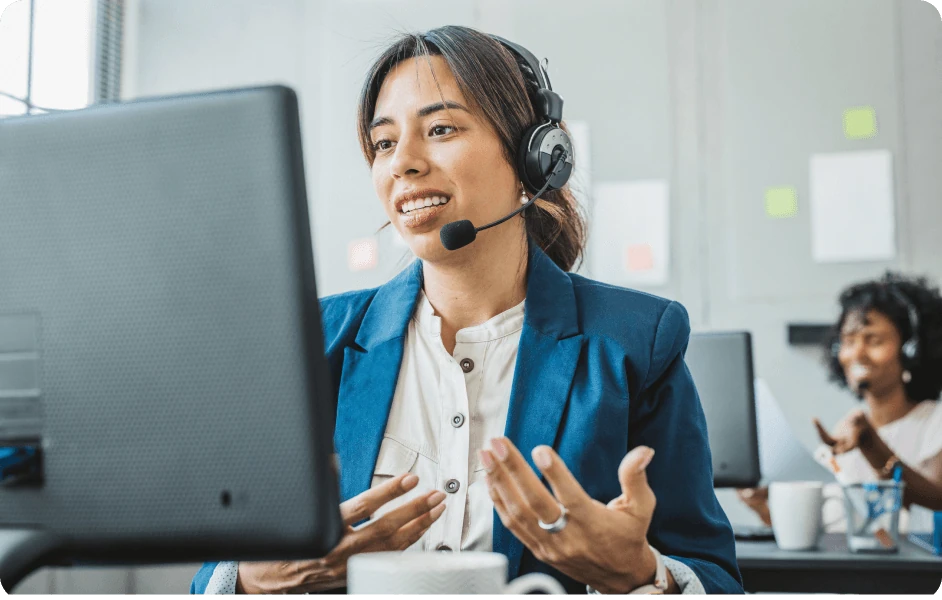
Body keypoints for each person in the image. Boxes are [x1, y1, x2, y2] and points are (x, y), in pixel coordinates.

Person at [191, 26, 742, 595]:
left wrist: (642, 575)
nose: (403, 162)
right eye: (383, 143)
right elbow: (217, 573)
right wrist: (256, 579)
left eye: (440, 129)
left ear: (535, 158)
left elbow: (715, 578)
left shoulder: (637, 341)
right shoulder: (314, 340)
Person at [739, 273, 942, 530]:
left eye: (874, 340)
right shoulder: (839, 442)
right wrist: (763, 510)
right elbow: (826, 536)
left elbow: (937, 501)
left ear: (912, 349)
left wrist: (871, 445)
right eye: (848, 340)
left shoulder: (935, 424)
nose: (857, 353)